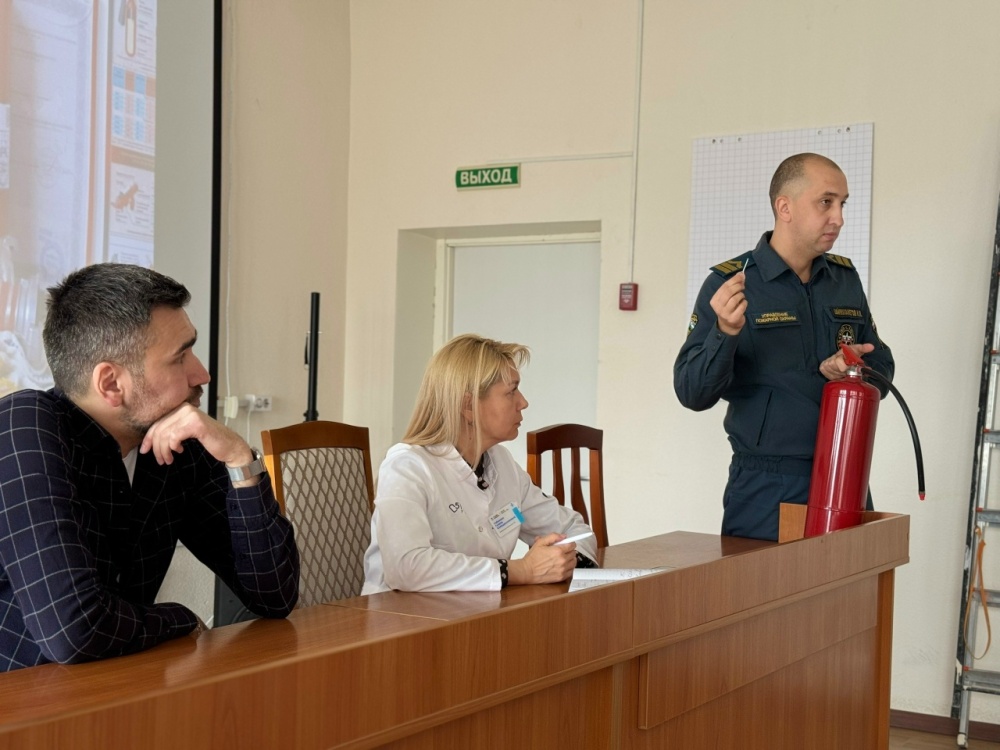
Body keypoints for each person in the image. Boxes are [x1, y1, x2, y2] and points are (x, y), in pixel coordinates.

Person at [0, 263, 300, 671]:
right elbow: (76, 630)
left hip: (117, 688)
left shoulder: (176, 445)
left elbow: (275, 596)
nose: (202, 374)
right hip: (22, 699)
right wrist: (181, 619)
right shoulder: (24, 425)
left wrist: (238, 459)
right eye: (180, 358)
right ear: (111, 384)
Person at [674, 153, 894, 541]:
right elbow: (692, 393)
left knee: (852, 581)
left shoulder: (843, 279)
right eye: (826, 202)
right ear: (785, 207)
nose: (839, 218)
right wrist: (725, 331)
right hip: (766, 486)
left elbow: (884, 370)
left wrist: (852, 370)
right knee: (761, 582)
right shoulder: (731, 283)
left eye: (842, 204)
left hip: (845, 471)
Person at [362, 334, 598, 593]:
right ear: (468, 406)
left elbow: (572, 528)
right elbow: (406, 567)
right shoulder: (407, 467)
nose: (523, 403)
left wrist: (565, 561)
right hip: (402, 613)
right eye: (511, 391)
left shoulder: (501, 463)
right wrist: (520, 570)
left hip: (479, 610)